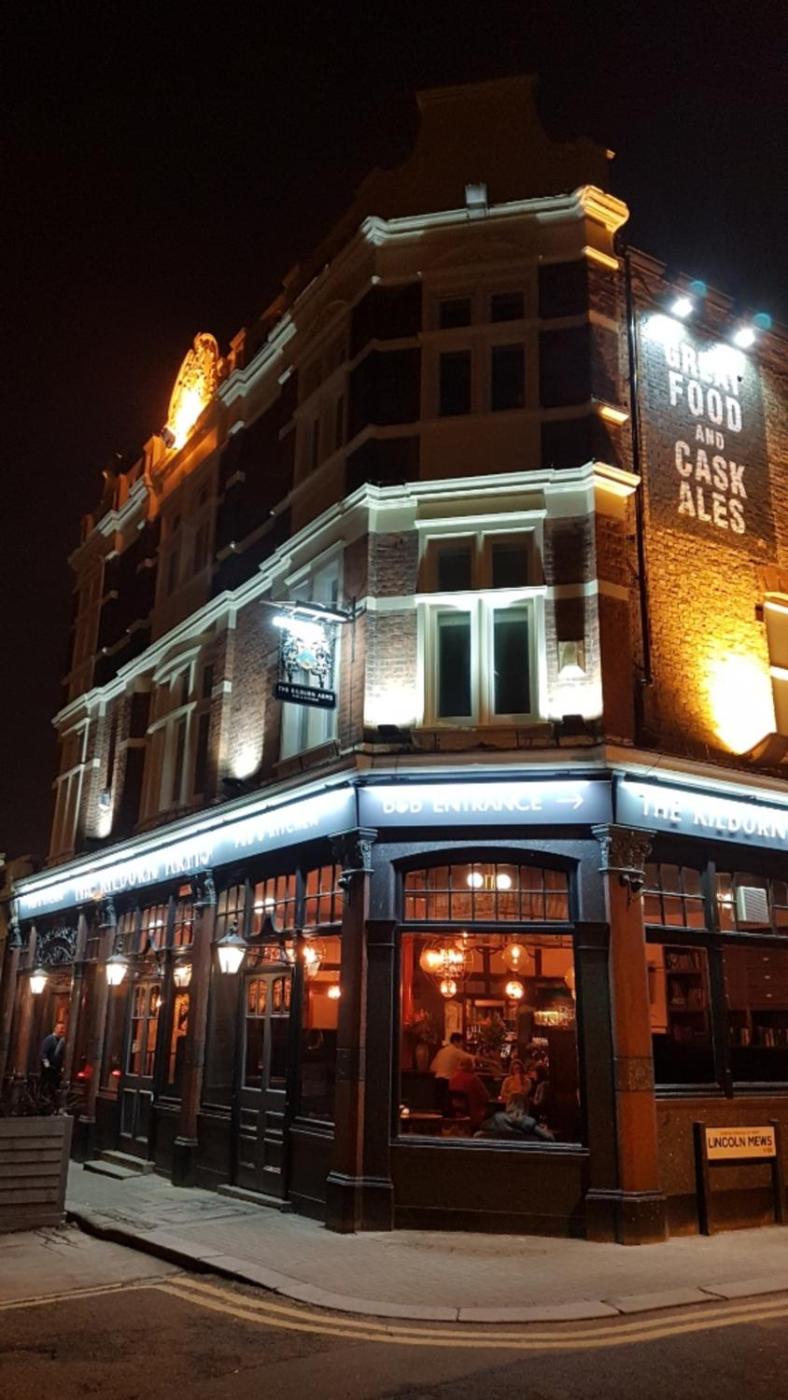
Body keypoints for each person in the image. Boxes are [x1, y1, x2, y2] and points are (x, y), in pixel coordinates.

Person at [473, 1093, 554, 1142]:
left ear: (508, 1105)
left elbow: (482, 1129)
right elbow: (550, 1138)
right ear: (526, 1107)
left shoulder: (497, 1119)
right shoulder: (529, 1122)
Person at [448, 1054, 491, 1131]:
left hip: (455, 1114)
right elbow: (486, 1097)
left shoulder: (453, 1078)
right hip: (473, 1114)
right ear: (471, 1066)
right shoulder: (474, 1079)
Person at [40, 1020, 65, 1094]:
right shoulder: (49, 1039)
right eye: (61, 1028)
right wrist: (47, 1066)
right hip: (49, 1069)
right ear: (56, 1028)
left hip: (56, 1069)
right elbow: (43, 1053)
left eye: (63, 1029)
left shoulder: (60, 1041)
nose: (62, 1031)